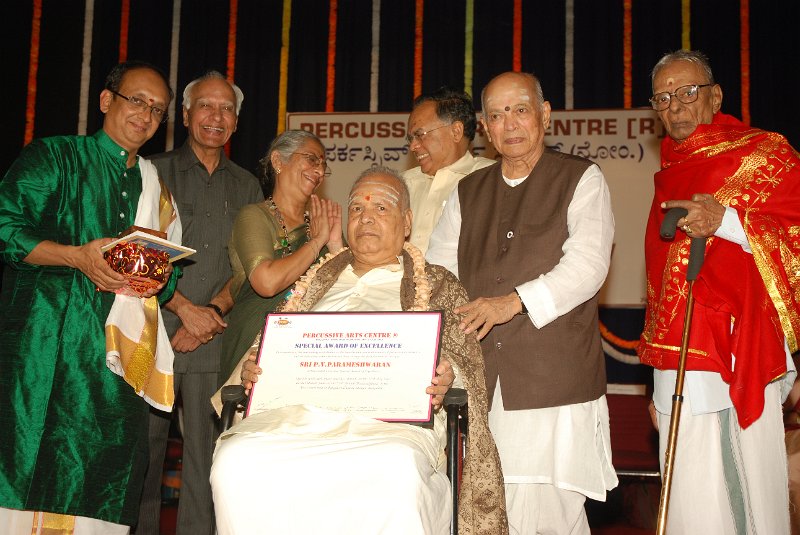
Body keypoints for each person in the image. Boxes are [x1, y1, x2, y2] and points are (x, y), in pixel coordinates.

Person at [210, 167, 507, 534]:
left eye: (382, 208)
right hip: (295, 421)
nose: (366, 217)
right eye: (356, 209)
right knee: (235, 462)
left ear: (407, 221)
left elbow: (466, 365)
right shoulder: (315, 282)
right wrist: (256, 368)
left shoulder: (437, 283)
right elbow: (270, 350)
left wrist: (448, 377)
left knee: (396, 467)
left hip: (389, 429)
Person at [427, 71, 618, 534]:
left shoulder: (581, 178)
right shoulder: (467, 193)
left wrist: (511, 303)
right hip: (480, 383)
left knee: (552, 512)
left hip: (553, 384)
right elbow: (439, 277)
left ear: (544, 115)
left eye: (520, 110)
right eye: (496, 115)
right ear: (486, 129)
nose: (509, 124)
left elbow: (588, 266)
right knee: (485, 508)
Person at [0, 61, 177, 534]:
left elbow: (168, 276)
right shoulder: (53, 157)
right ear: (106, 100)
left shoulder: (155, 188)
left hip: (113, 365)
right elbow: (6, 229)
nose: (146, 115)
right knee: (29, 467)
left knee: (105, 479)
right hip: (44, 356)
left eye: (158, 110)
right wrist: (76, 256)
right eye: (136, 100)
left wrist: (159, 279)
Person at [638, 49, 800, 534]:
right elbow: (663, 280)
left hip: (737, 350)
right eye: (663, 98)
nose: (676, 106)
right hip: (678, 358)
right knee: (689, 497)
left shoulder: (765, 153)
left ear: (715, 96)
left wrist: (726, 221)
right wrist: (658, 382)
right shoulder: (671, 166)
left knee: (738, 495)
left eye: (687, 92)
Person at [134, 71, 263, 535]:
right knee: (143, 456)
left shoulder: (249, 185)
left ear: (236, 122)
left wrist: (212, 313)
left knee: (208, 461)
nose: (217, 116)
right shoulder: (152, 172)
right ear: (186, 115)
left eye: (227, 109)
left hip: (214, 337)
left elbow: (250, 266)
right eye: (206, 106)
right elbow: (139, 255)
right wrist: (184, 309)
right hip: (150, 331)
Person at [218, 129, 344, 386]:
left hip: (308, 355)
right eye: (311, 159)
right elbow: (266, 283)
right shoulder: (254, 216)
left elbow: (345, 293)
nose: (319, 171)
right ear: (278, 162)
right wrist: (316, 243)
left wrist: (334, 246)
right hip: (253, 354)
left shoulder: (319, 224)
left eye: (323, 164)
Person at [402, 87, 494, 254]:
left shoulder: (490, 178)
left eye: (420, 134)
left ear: (456, 131)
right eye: (410, 138)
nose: (413, 146)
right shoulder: (402, 184)